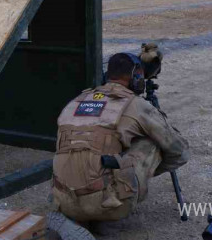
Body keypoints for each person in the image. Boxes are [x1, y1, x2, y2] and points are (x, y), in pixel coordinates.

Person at [51, 52, 189, 223]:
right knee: (153, 142)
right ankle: (104, 202)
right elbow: (179, 150)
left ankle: (85, 205)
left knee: (95, 143)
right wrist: (143, 173)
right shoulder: (136, 105)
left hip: (63, 202)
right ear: (136, 77)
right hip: (108, 206)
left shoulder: (78, 100)